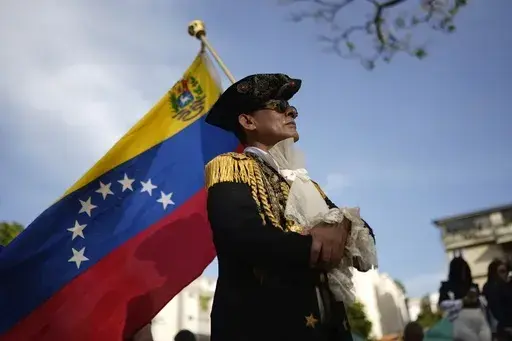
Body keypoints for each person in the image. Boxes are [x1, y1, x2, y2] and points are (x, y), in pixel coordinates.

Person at [204, 73, 375, 341]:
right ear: (248, 121)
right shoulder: (232, 166)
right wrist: (319, 246)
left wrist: (341, 225)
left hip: (327, 326)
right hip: (265, 322)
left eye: (293, 108)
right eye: (280, 107)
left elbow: (366, 236)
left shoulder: (307, 183)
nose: (291, 113)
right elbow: (241, 236)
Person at [438, 256, 491, 341]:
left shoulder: (473, 286)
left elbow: (484, 304)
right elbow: (442, 305)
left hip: (478, 317)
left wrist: (478, 299)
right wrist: (461, 302)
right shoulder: (447, 286)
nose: (463, 273)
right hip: (460, 320)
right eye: (461, 269)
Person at [483, 259, 512, 341]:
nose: (505, 274)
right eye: (502, 271)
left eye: (506, 271)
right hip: (505, 329)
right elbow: (497, 309)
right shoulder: (494, 288)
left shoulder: (506, 286)